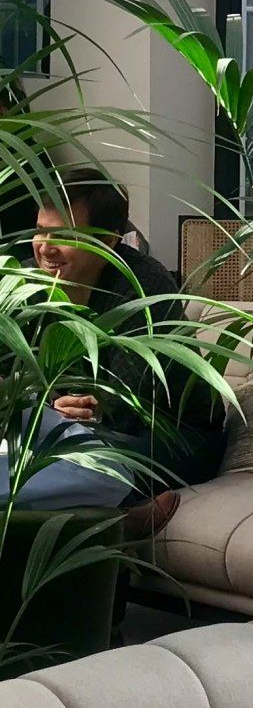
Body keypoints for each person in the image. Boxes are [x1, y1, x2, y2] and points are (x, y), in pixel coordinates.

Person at [1, 172, 227, 512]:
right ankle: (117, 521)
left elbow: (122, 405)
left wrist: (59, 409)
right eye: (40, 230)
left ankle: (108, 519)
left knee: (78, 461)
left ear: (107, 241)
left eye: (65, 235)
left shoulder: (143, 286)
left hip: (165, 437)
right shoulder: (23, 282)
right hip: (61, 428)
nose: (45, 247)